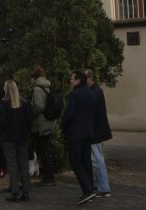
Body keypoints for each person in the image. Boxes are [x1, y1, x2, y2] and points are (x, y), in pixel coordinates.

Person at [62, 71, 97, 206]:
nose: (70, 81)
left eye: (71, 79)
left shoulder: (74, 95)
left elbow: (68, 115)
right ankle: (89, 190)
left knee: (75, 162)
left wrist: (63, 126)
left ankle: (88, 190)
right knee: (86, 162)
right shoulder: (91, 94)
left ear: (78, 80)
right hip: (88, 133)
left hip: (76, 134)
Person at [0, 80, 33, 202]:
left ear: (6, 89)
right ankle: (26, 191)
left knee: (12, 165)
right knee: (24, 164)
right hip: (23, 137)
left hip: (9, 138)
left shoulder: (4, 103)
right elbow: (30, 119)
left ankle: (14, 192)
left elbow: (2, 122)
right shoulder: (25, 102)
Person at [85, 69, 113, 198]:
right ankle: (100, 185)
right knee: (97, 158)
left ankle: (103, 187)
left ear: (90, 77)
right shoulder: (96, 90)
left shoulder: (93, 92)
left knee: (97, 160)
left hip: (95, 131)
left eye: (85, 77)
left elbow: (93, 114)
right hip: (97, 130)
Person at [30, 66, 57, 186]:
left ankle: (48, 177)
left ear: (34, 78)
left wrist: (30, 114)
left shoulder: (37, 89)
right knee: (46, 150)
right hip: (49, 122)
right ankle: (49, 175)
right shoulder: (47, 87)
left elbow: (40, 106)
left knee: (43, 151)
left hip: (40, 125)